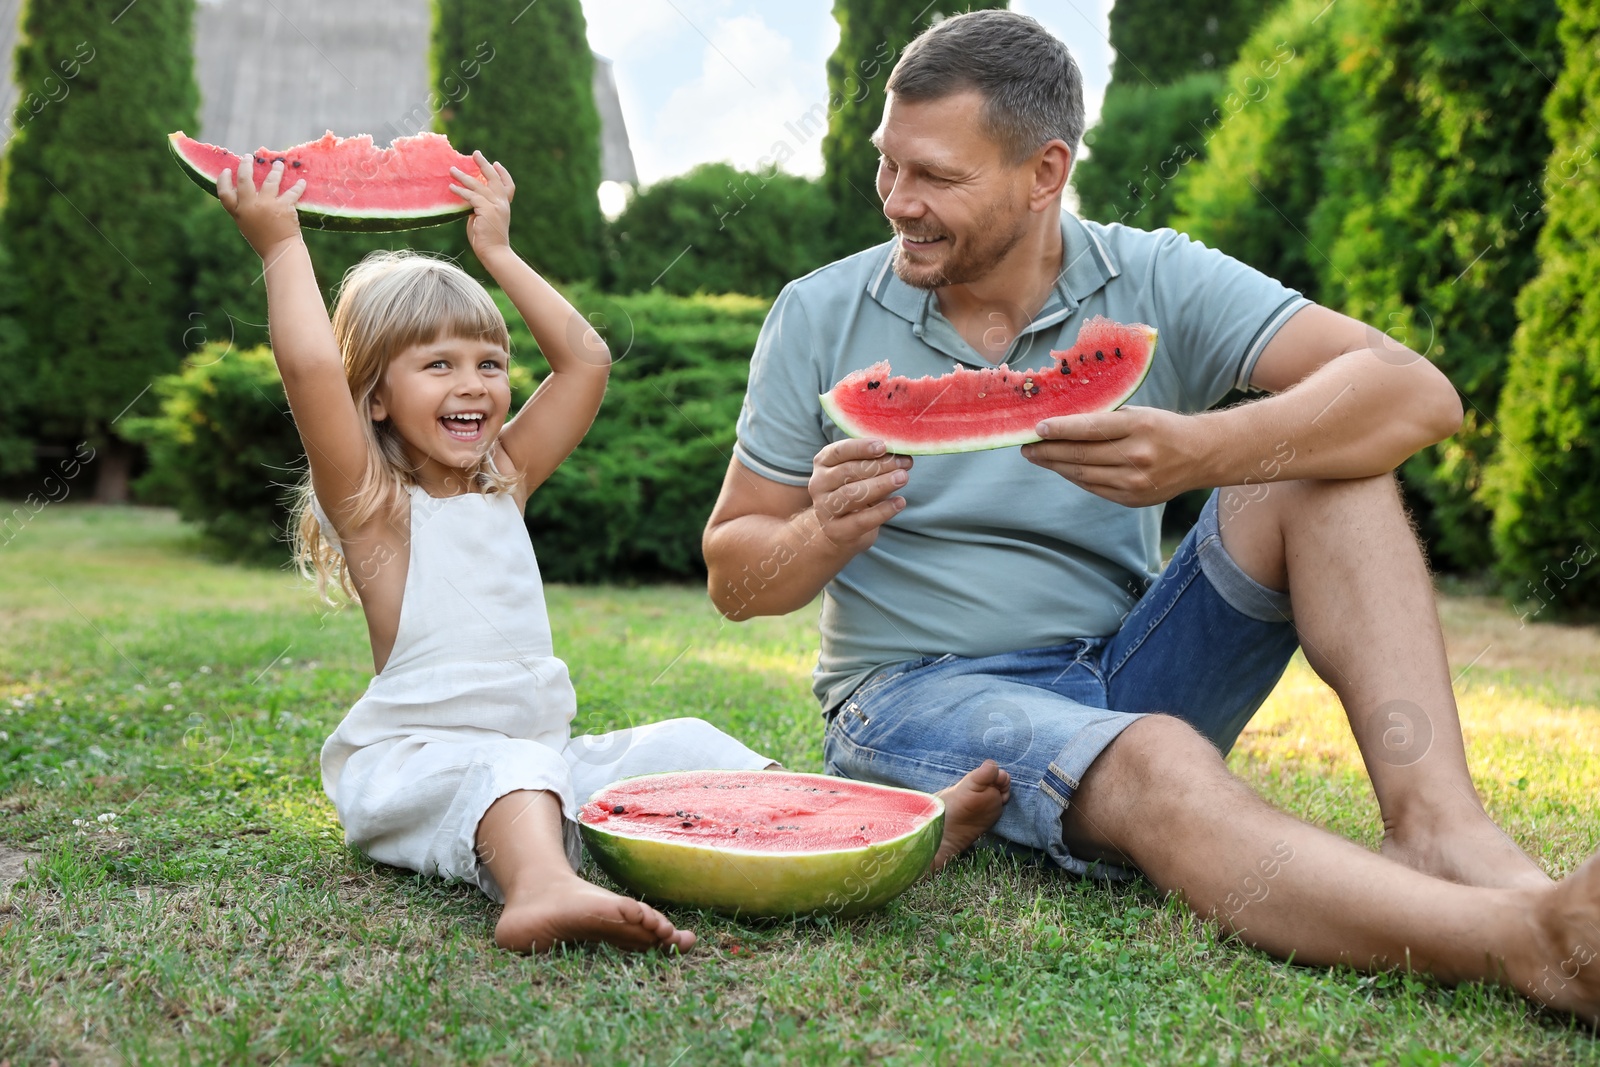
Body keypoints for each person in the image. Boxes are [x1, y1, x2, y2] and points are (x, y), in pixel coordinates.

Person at [702, 9, 1600, 1022]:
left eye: (937, 178)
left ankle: (1440, 824)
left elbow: (1414, 394)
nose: (898, 202)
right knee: (1158, 753)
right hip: (914, 696)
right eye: (889, 166)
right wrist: (819, 530)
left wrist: (1200, 448)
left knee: (1327, 463)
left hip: (1125, 664)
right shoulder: (819, 313)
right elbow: (734, 577)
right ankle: (1526, 941)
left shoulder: (1153, 276)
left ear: (1044, 172)